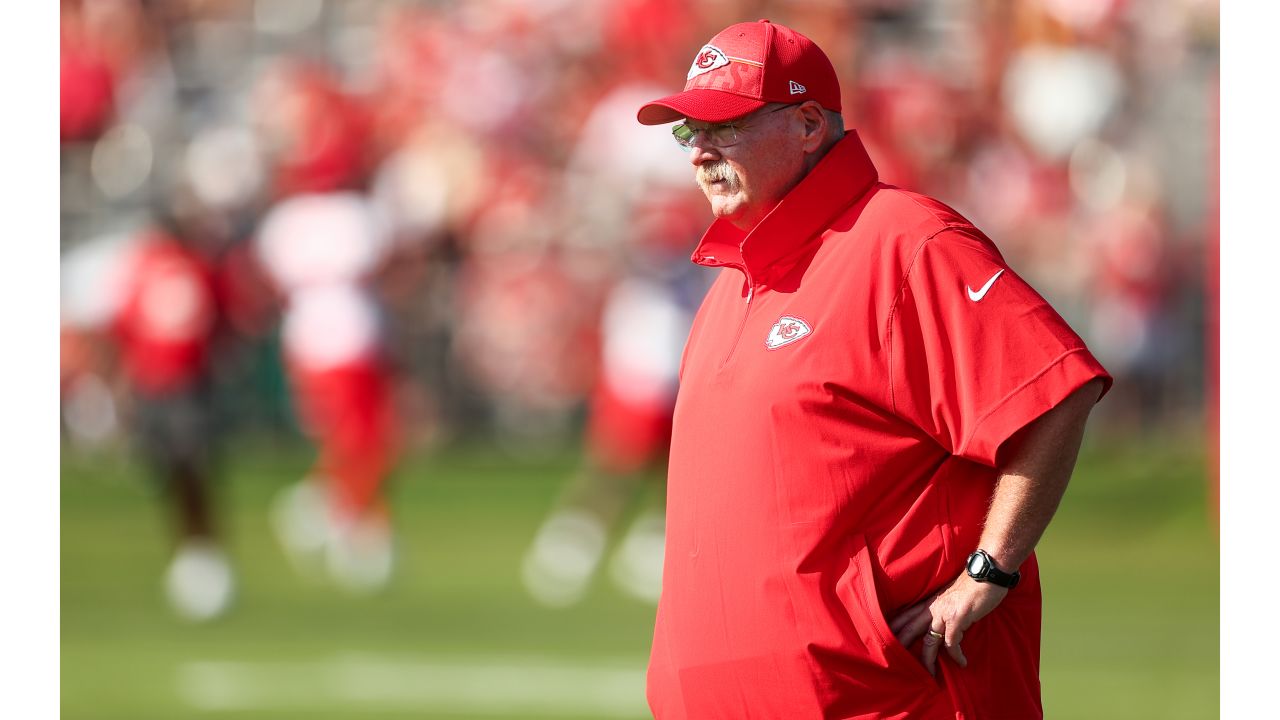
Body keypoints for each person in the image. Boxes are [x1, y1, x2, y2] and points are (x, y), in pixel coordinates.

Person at [635, 20, 1110, 719]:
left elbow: (1050, 393)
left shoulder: (906, 242)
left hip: (882, 697)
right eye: (688, 132)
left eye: (726, 127)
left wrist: (990, 568)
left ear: (805, 124)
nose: (700, 151)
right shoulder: (734, 282)